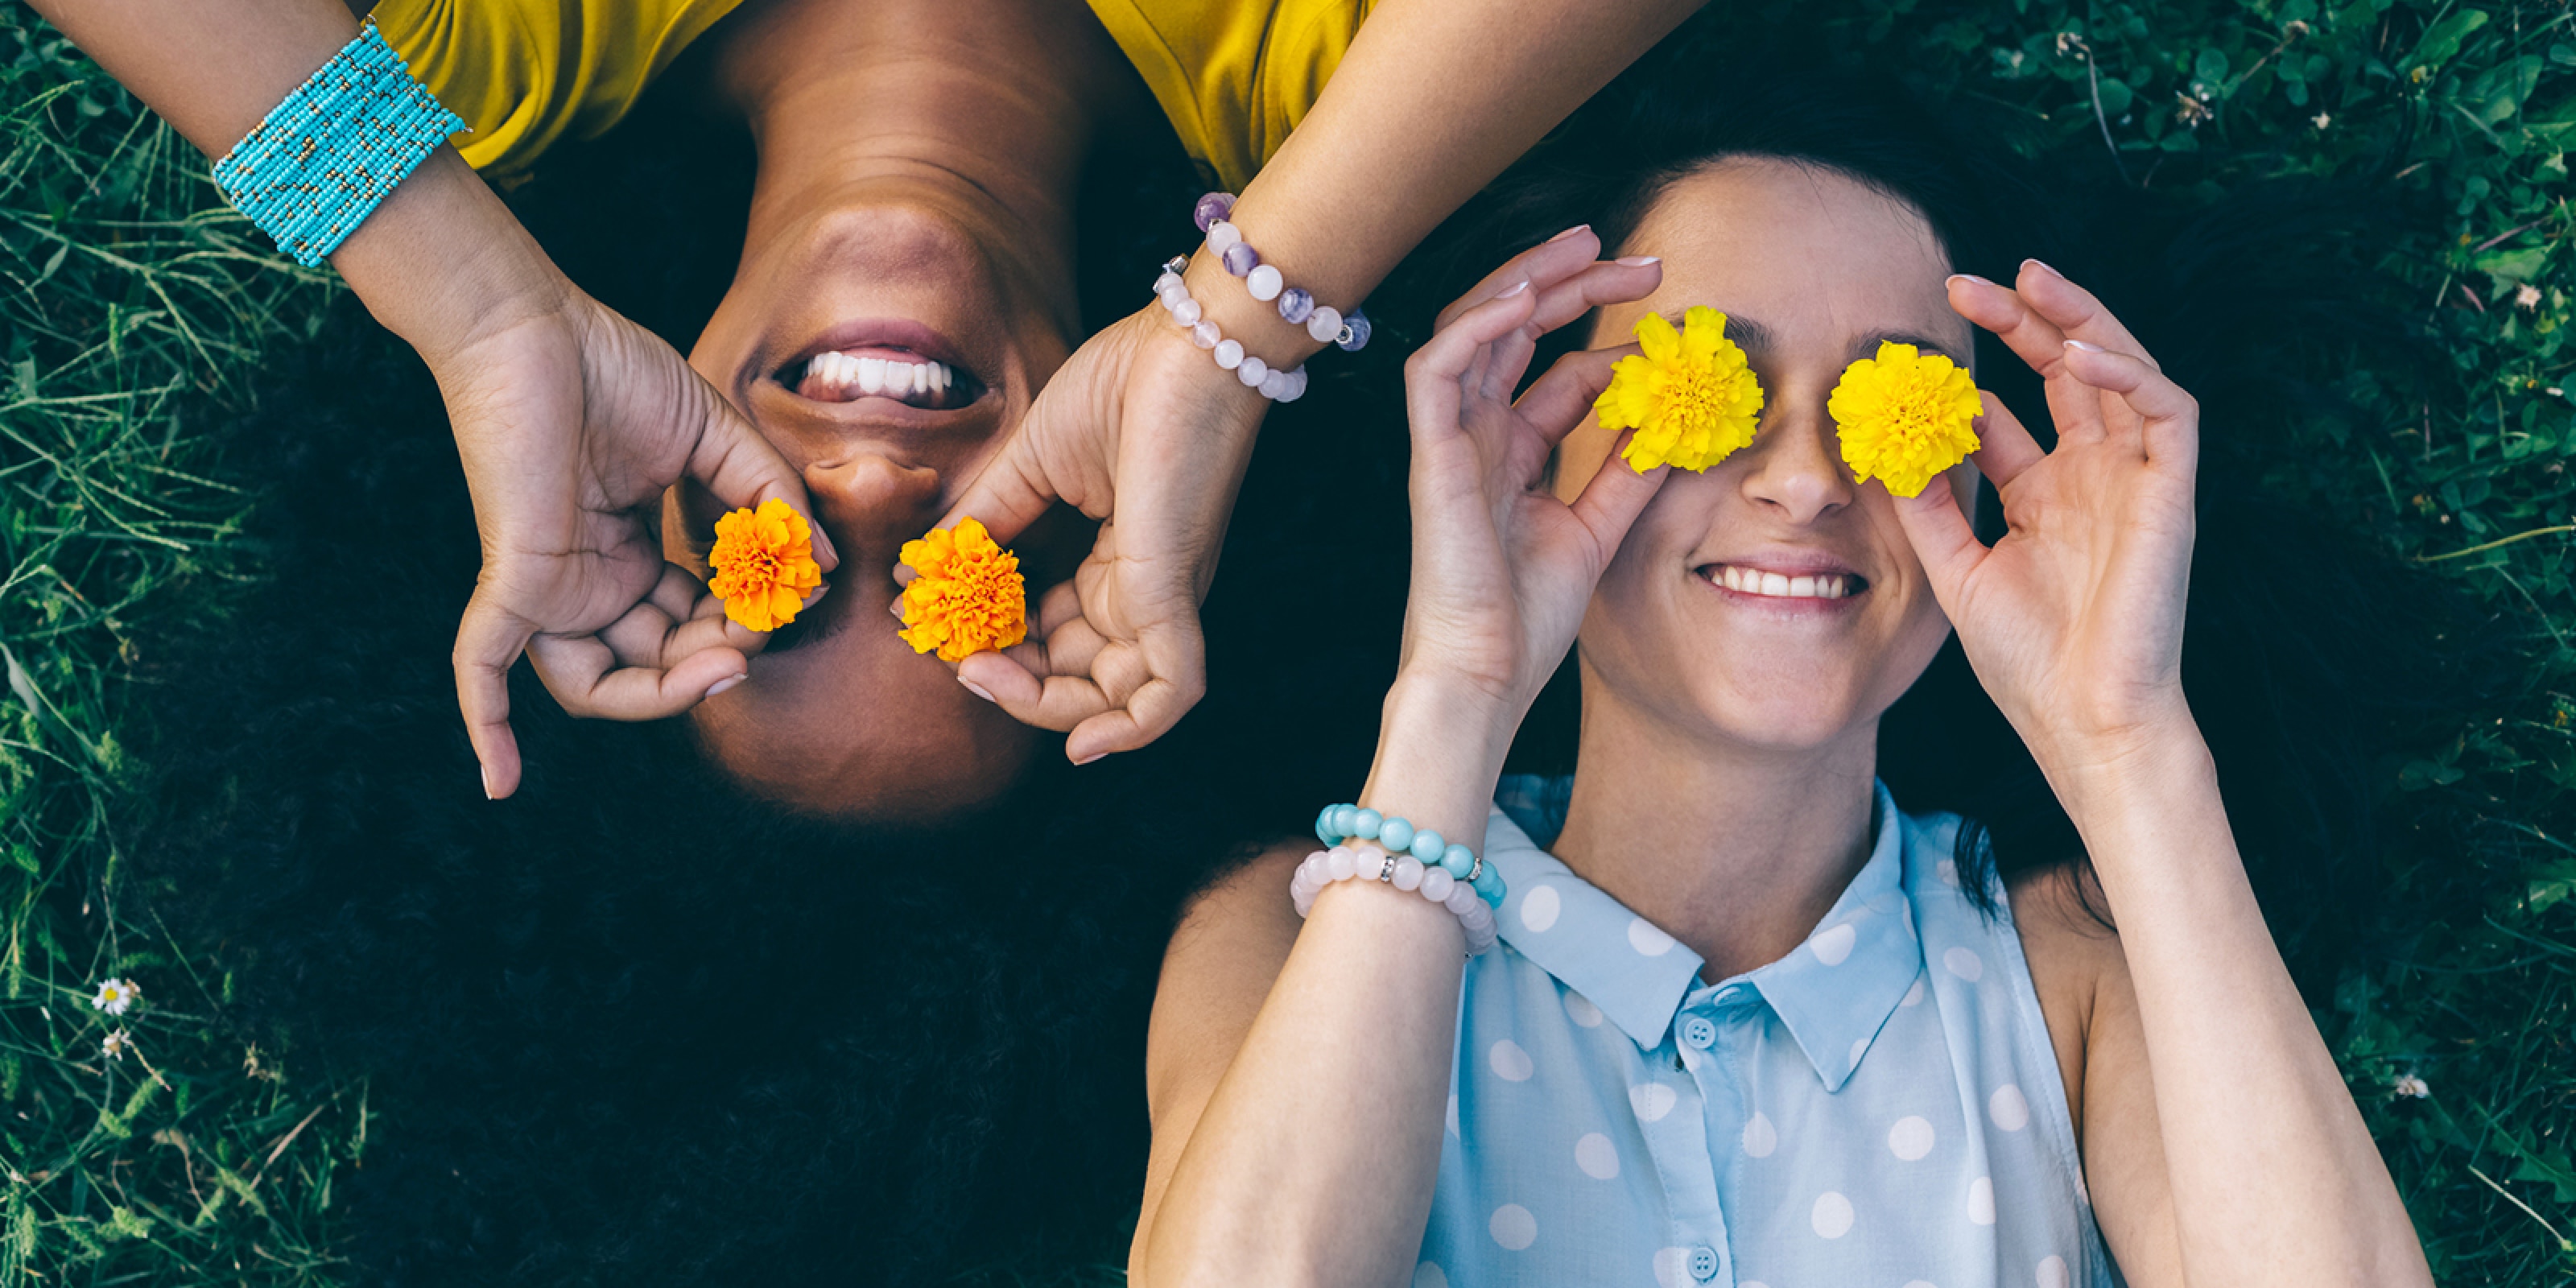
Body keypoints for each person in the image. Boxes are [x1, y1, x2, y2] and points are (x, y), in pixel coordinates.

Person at [1126, 70, 2435, 1286]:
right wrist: (1459, 683)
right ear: (1533, 441)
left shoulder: (2068, 964)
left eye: (1893, 400)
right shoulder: (1292, 931)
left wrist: (2126, 742)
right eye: (1709, 385)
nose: (1808, 480)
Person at [35, 0, 1705, 814]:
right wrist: (1249, 311)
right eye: (964, 586)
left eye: (778, 579)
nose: (883, 495)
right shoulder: (1348, 68)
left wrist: (469, 302)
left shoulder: (478, 58)